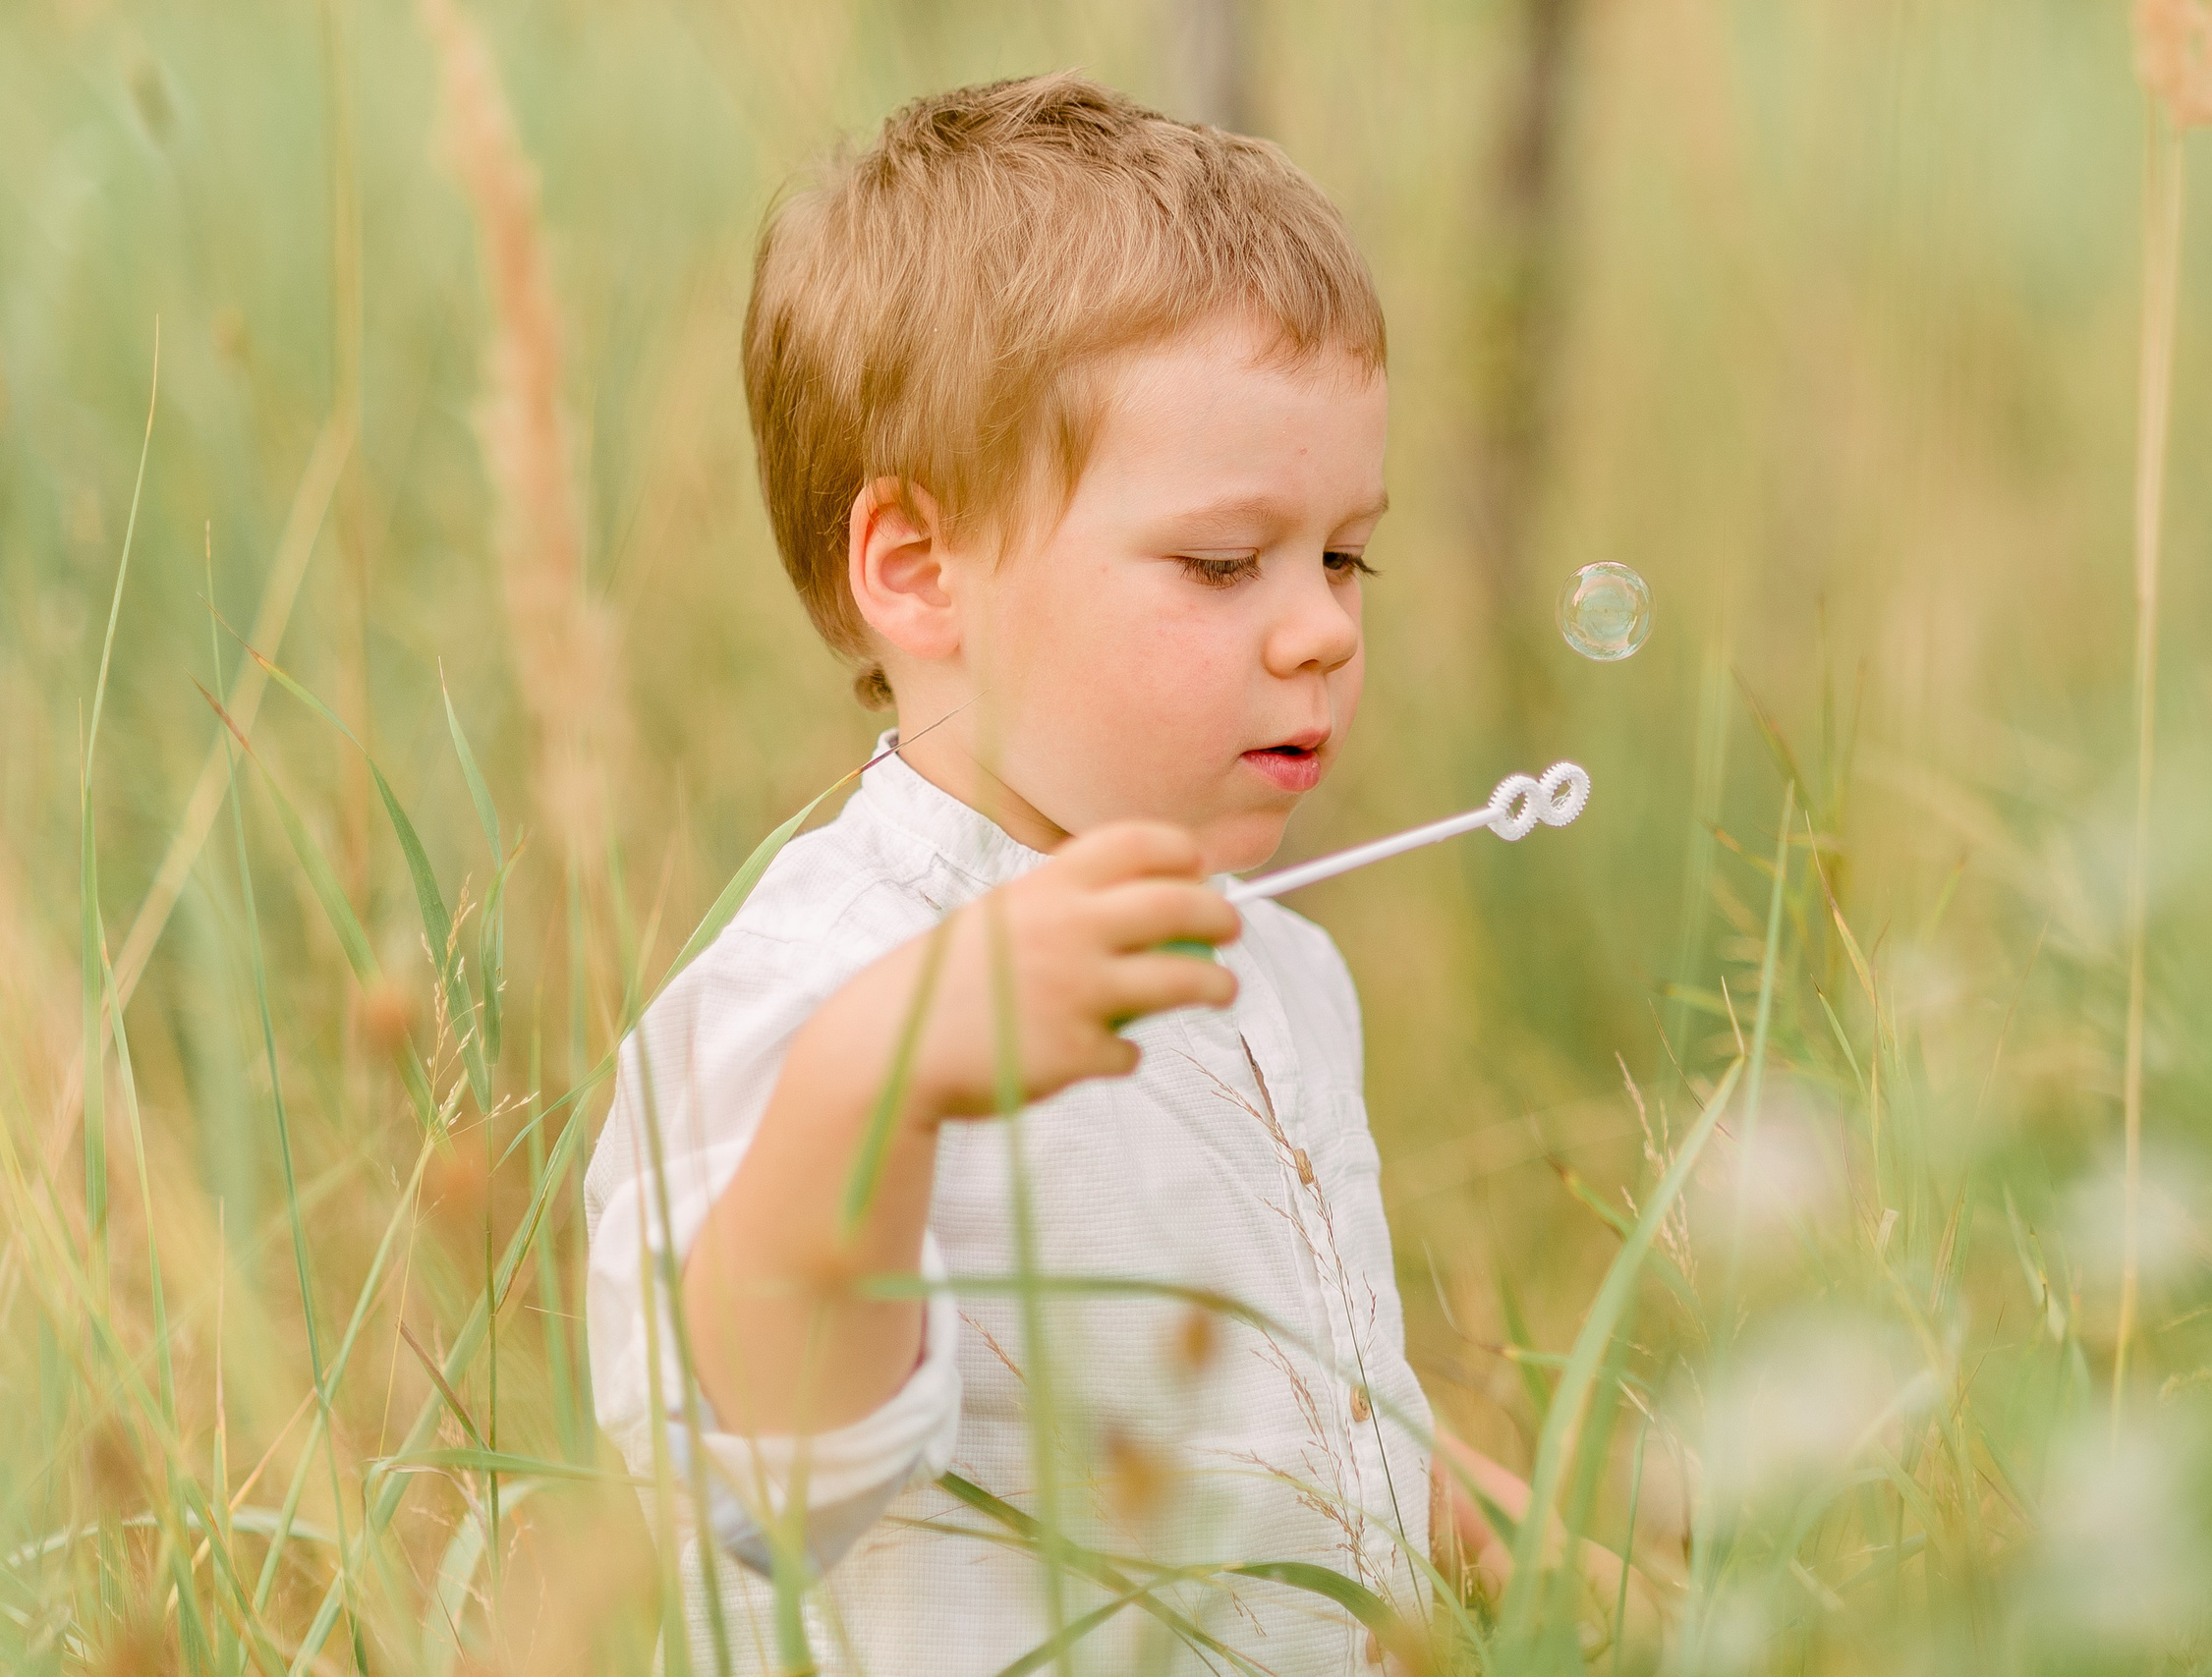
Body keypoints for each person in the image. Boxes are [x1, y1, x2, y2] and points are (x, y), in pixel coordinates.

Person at [583, 70, 1550, 1675]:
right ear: (918, 568)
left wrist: (1521, 1550)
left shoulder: (1275, 959)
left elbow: (1298, 1414)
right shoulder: (820, 987)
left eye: (1344, 553)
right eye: (1224, 564)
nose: (1319, 626)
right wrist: (879, 1083)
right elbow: (759, 1474)